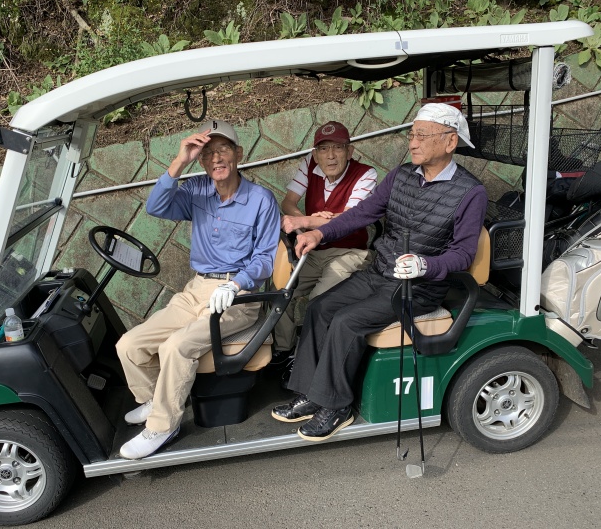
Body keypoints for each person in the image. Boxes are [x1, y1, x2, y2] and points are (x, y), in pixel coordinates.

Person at [271, 103, 488, 441]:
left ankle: (337, 406)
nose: (412, 142)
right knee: (319, 308)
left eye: (422, 135)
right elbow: (362, 213)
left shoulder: (470, 192)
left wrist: (425, 265)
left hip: (418, 287)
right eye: (412, 134)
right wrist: (319, 233)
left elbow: (463, 254)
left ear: (450, 141)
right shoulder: (401, 175)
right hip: (379, 272)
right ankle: (313, 394)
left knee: (346, 322)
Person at [117, 119, 281, 459]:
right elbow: (155, 206)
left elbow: (266, 259)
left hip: (239, 295)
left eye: (223, 150)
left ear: (238, 154)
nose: (216, 158)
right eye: (207, 153)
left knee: (177, 346)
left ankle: (163, 426)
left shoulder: (261, 200)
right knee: (129, 345)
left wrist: (237, 284)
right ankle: (153, 400)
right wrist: (181, 160)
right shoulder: (196, 190)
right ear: (202, 161)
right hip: (197, 289)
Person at [272, 121, 377, 378]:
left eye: (338, 148)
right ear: (315, 153)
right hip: (314, 250)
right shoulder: (310, 164)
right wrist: (307, 221)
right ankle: (284, 352)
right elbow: (288, 202)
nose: (330, 155)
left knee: (319, 303)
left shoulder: (366, 174)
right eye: (323, 149)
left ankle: (305, 363)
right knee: (280, 293)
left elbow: (350, 219)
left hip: (349, 253)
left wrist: (308, 221)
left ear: (349, 151)